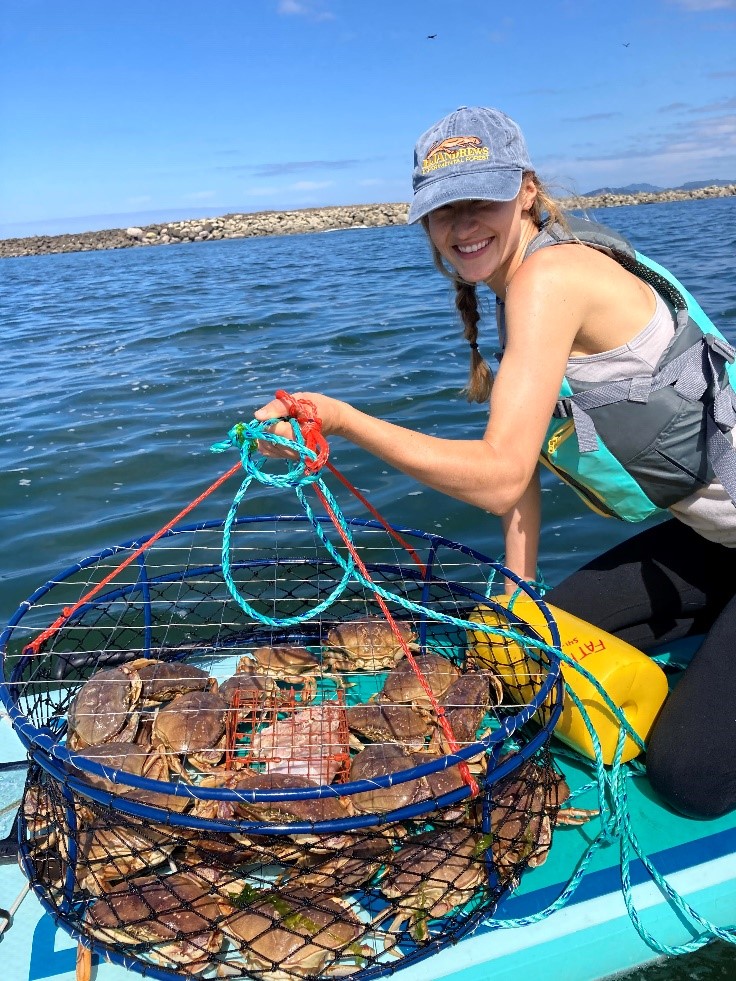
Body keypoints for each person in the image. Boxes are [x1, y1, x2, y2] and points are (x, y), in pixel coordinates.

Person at [256, 106, 736, 820]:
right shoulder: (527, 290)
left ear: (528, 192)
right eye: (444, 208)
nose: (463, 222)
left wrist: (343, 419)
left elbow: (500, 473)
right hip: (714, 543)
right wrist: (520, 590)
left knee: (687, 778)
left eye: (481, 197)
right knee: (520, 652)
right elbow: (528, 481)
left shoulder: (553, 279)